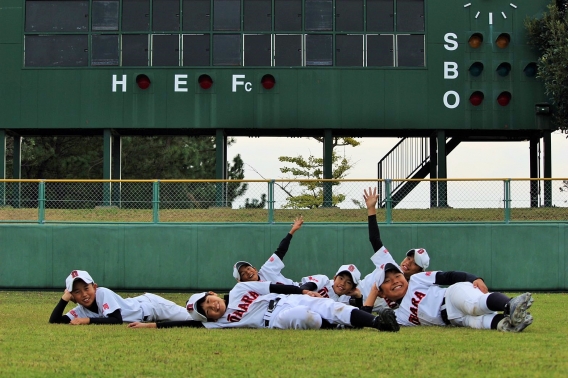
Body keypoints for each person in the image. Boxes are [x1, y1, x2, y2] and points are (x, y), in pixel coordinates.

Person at [357, 187, 488, 312]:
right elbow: (374, 239)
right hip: (350, 290)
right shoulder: (389, 266)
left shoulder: (413, 290)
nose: (407, 262)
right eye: (408, 258)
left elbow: (446, 278)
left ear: (420, 271)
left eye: (414, 263)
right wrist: (371, 209)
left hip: (360, 308)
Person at [128, 280, 400, 332]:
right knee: (307, 318)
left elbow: (274, 287)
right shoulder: (215, 324)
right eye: (207, 310)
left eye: (209, 301)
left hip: (285, 298)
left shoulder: (240, 289)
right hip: (275, 319)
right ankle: (351, 326)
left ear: (211, 294)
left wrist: (302, 289)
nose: (212, 307)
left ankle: (378, 323)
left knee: (330, 306)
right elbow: (183, 325)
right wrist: (151, 325)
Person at [364, 251, 534, 332]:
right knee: (478, 322)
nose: (394, 280)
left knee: (474, 304)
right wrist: (372, 294)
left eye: (396, 275)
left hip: (452, 297)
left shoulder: (416, 280)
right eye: (386, 281)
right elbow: (365, 319)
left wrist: (474, 278)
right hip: (453, 320)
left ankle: (509, 304)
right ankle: (510, 323)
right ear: (382, 293)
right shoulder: (399, 316)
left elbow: (448, 276)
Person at [49, 270, 191, 325]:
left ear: (95, 287)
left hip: (152, 306)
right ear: (73, 296)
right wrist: (64, 298)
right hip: (147, 317)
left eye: (86, 288)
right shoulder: (80, 310)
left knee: (194, 318)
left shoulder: (103, 293)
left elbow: (116, 320)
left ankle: (200, 301)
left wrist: (87, 321)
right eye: (77, 292)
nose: (84, 294)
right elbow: (54, 322)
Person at [233, 215, 303, 285]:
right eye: (243, 274)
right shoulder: (250, 291)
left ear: (255, 269)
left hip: (299, 289)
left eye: (248, 268)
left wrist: (292, 230)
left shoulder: (267, 269)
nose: (248, 272)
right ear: (242, 281)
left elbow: (281, 251)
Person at [299, 264, 363, 305]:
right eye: (341, 278)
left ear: (352, 288)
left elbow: (359, 319)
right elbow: (303, 287)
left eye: (348, 282)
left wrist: (358, 297)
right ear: (335, 278)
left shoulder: (345, 301)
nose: (342, 283)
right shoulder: (324, 281)